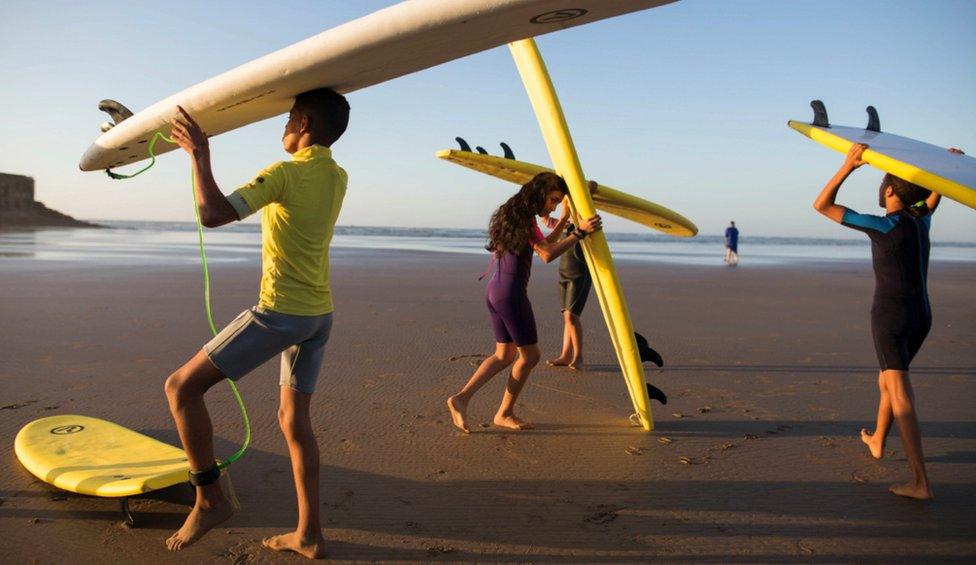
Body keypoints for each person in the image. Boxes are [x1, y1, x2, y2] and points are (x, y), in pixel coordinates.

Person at [163, 87, 350, 558]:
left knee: (181, 388)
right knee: (294, 421)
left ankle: (208, 499)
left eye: (288, 117)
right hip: (318, 317)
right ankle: (309, 534)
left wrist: (199, 157)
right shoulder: (338, 176)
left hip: (281, 314)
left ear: (304, 122)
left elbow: (214, 214)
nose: (282, 126)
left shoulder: (284, 173)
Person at [813, 143, 951, 501]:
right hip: (922, 316)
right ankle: (877, 439)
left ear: (889, 190)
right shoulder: (921, 219)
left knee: (900, 391)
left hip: (891, 316)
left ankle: (920, 482)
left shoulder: (884, 225)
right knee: (888, 380)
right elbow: (933, 198)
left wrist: (848, 166)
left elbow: (822, 206)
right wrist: (943, 168)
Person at [447, 173, 602, 432]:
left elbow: (542, 244)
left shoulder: (512, 214)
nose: (552, 207)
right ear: (539, 192)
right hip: (511, 294)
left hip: (495, 290)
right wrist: (580, 233)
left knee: (504, 354)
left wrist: (564, 220)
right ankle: (504, 413)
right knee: (530, 356)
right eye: (552, 200)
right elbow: (547, 254)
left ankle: (461, 399)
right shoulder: (525, 220)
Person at [543, 183, 595, 371]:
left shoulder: (586, 222)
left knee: (572, 317)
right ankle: (565, 355)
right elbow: (547, 222)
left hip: (580, 274)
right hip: (564, 273)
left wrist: (584, 190)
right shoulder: (564, 223)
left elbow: (592, 185)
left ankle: (578, 357)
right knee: (567, 317)